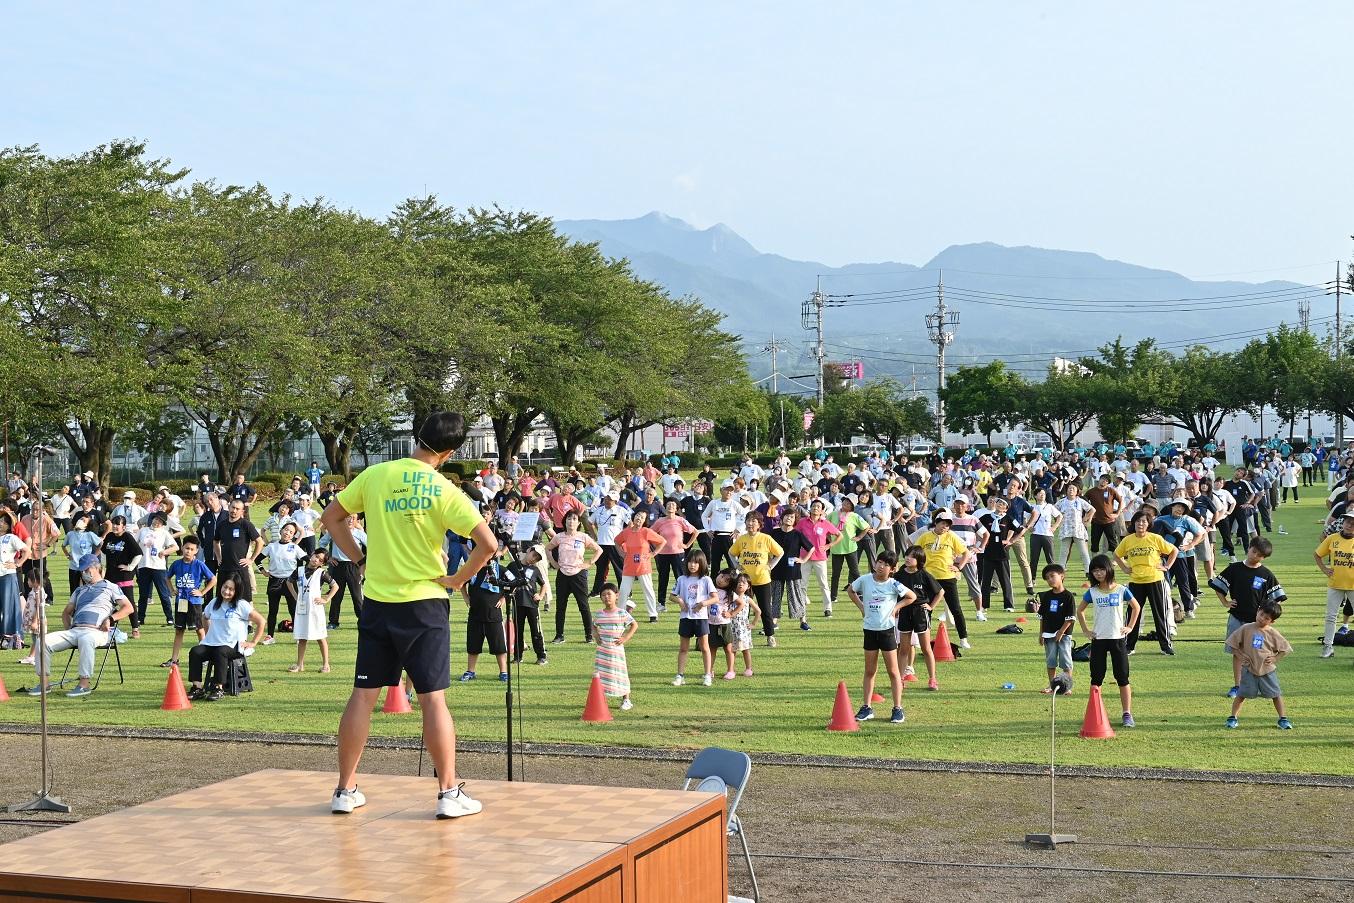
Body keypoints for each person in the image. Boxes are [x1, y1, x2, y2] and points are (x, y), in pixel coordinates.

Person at [320, 411, 496, 820]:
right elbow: (486, 543)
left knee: (363, 696)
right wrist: (456, 580)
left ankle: (345, 790)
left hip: (379, 601)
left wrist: (359, 558)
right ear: (451, 452)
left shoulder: (376, 474)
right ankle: (448, 792)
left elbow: (331, 518)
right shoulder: (444, 488)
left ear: (417, 437)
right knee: (432, 699)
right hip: (425, 602)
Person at [28, 554, 134, 697]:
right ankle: (44, 684)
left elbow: (128, 608)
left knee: (86, 639)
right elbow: (66, 613)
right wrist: (69, 629)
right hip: (75, 630)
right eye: (82, 571)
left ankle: (84, 685)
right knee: (43, 641)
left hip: (97, 631)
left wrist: (110, 619)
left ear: (97, 568)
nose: (84, 573)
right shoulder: (79, 590)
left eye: (87, 570)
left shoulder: (111, 587)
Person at [847, 550, 915, 725]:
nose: (880, 566)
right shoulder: (865, 580)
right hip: (869, 630)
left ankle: (897, 708)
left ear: (892, 569)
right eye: (879, 562)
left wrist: (896, 607)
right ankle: (867, 707)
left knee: (893, 672)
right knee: (870, 671)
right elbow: (851, 590)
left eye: (885, 564)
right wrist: (861, 607)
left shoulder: (894, 584)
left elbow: (911, 597)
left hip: (886, 632)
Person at [1075, 554, 1141, 729]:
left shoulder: (1121, 589)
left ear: (1109, 570)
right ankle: (1095, 712)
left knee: (1122, 677)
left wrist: (1130, 627)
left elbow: (1136, 606)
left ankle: (1127, 713)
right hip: (1099, 640)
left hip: (1117, 640)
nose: (1098, 573)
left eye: (1101, 569)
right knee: (1096, 678)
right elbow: (1079, 611)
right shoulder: (1092, 592)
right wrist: (1086, 630)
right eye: (1095, 570)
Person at [1212, 536, 1281, 696]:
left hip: (1257, 624)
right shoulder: (1234, 568)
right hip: (1237, 618)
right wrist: (1225, 602)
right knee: (1237, 651)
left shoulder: (1266, 574)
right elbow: (1218, 585)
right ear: (1248, 548)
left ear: (1264, 557)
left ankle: (1258, 684)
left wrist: (1268, 619)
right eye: (1253, 551)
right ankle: (1238, 686)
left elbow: (1276, 599)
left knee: (1257, 652)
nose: (1254, 555)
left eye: (1259, 555)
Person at [186, 575, 264, 701]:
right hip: (212, 644)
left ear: (237, 591)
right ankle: (197, 688)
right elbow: (205, 617)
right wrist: (207, 635)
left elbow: (261, 621)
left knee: (220, 651)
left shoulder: (241, 605)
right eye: (225, 587)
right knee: (195, 651)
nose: (227, 591)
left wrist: (253, 642)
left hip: (232, 646)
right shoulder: (214, 603)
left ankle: (218, 688)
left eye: (231, 589)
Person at [1114, 511, 1178, 655]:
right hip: (1135, 581)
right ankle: (1129, 646)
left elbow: (1174, 550)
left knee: (1160, 613)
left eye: (1144, 521)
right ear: (1134, 523)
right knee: (1132, 614)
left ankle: (1165, 646)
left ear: (1149, 524)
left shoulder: (1155, 538)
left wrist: (1166, 566)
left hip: (1155, 580)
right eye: (1138, 521)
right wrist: (1124, 568)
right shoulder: (1128, 540)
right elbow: (1117, 555)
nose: (1140, 524)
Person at [1224, 601, 1293, 730]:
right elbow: (1232, 644)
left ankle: (1283, 719)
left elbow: (1285, 649)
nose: (1262, 619)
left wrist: (1275, 658)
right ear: (1257, 611)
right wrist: (1240, 656)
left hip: (1267, 671)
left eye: (1266, 618)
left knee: (1276, 694)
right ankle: (1233, 718)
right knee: (1241, 694)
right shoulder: (1246, 628)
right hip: (1249, 670)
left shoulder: (1273, 633)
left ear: (1272, 621)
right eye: (1261, 614)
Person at [914, 510, 972, 649]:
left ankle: (963, 638)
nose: (944, 527)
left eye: (947, 525)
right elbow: (915, 552)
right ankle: (919, 638)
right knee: (925, 608)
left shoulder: (952, 537)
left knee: (955, 609)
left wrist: (958, 567)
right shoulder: (925, 536)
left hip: (947, 577)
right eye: (942, 524)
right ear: (936, 523)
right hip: (929, 577)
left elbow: (966, 553)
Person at [546, 510, 600, 643]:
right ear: (565, 521)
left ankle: (589, 635)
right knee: (560, 607)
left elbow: (599, 550)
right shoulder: (559, 537)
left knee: (584, 606)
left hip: (578, 575)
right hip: (563, 575)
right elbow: (547, 548)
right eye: (569, 519)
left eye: (574, 519)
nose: (571, 521)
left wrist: (589, 563)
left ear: (578, 522)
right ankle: (559, 635)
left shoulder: (583, 537)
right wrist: (553, 563)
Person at [459, 543, 510, 683]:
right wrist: (466, 597)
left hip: (493, 615)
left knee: (499, 646)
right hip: (475, 614)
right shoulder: (472, 570)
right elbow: (461, 582)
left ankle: (503, 672)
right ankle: (470, 671)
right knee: (473, 646)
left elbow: (514, 584)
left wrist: (503, 598)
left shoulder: (500, 569)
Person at [165, 536, 215, 669]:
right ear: (182, 548)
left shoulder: (199, 564)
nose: (188, 551)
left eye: (192, 549)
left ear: (196, 551)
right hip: (181, 601)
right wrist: (172, 590)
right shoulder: (176, 564)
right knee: (179, 630)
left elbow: (213, 579)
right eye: (186, 548)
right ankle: (174, 659)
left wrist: (202, 592)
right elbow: (167, 577)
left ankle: (205, 657)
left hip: (194, 602)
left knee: (199, 629)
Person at [895, 545, 939, 690]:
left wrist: (931, 606)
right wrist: (895, 608)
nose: (908, 558)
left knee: (926, 648)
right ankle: (900, 679)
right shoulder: (899, 574)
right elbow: (892, 592)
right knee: (903, 649)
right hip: (904, 612)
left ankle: (932, 679)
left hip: (920, 613)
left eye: (912, 556)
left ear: (919, 560)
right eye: (907, 555)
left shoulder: (924, 574)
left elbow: (940, 591)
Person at [671, 551, 716, 687]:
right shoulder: (681, 579)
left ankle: (707, 674)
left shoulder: (706, 580)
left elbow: (715, 597)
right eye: (690, 562)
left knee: (704, 647)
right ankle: (680, 675)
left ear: (702, 564)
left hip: (701, 618)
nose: (692, 565)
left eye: (696, 562)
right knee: (683, 648)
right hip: (685, 617)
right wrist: (679, 600)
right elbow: (672, 595)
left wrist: (703, 603)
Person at [1313, 512, 1354, 659]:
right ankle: (1328, 647)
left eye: (1353, 523)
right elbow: (1317, 554)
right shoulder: (1332, 538)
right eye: (1348, 522)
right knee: (1331, 617)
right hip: (1335, 584)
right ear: (1343, 523)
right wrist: (1325, 569)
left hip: (1353, 585)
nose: (1350, 525)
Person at [592, 583, 638, 711]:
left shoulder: (622, 613)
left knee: (620, 673)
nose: (607, 597)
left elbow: (634, 625)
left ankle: (626, 699)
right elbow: (593, 625)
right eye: (603, 595)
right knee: (602, 674)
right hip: (602, 650)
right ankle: (601, 699)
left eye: (609, 594)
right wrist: (596, 635)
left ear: (616, 596)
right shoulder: (599, 614)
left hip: (616, 649)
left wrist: (625, 638)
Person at [290, 548, 337, 673]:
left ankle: (326, 664)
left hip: (315, 609)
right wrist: (296, 596)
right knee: (302, 637)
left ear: (322, 563)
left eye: (320, 559)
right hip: (302, 608)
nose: (316, 560)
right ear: (311, 555)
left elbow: (335, 586)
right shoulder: (299, 570)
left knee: (320, 636)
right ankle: (300, 664)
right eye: (316, 556)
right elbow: (289, 582)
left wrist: (326, 599)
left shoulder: (322, 573)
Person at [795, 500, 841, 627]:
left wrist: (829, 545)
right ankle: (802, 608)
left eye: (818, 507)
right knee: (802, 584)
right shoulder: (802, 522)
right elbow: (795, 535)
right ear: (810, 508)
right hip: (804, 557)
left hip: (820, 557)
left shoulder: (825, 523)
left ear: (822, 511)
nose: (815, 508)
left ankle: (828, 608)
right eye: (814, 506)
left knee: (823, 584)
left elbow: (839, 535)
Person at [615, 510, 666, 621]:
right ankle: (620, 614)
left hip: (643, 566)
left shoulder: (646, 531)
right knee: (624, 591)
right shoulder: (626, 532)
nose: (639, 518)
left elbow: (662, 541)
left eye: (642, 517)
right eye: (638, 515)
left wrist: (653, 553)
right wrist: (621, 553)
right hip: (629, 566)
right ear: (634, 517)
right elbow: (616, 541)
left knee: (648, 590)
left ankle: (653, 614)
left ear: (644, 521)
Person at [260, 523, 304, 643]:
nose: (287, 533)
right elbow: (258, 559)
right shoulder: (271, 546)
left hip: (290, 581)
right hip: (274, 581)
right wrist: (263, 570)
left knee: (293, 609)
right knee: (273, 610)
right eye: (286, 530)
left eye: (291, 532)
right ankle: (270, 636)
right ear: (281, 530)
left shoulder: (294, 547)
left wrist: (300, 573)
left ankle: (298, 635)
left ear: (293, 535)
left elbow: (306, 559)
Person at [1036, 563, 1076, 693]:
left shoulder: (1068, 596)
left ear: (1062, 576)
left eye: (1052, 576)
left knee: (1066, 661)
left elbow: (1070, 618)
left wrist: (1061, 631)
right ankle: (1052, 685)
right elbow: (1042, 616)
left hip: (1064, 635)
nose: (1050, 579)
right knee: (1051, 660)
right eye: (1047, 578)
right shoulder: (1046, 596)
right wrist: (1041, 633)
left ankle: (1067, 687)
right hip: (1048, 634)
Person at [136, 513, 179, 630]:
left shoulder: (164, 533)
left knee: (163, 594)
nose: (156, 522)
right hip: (144, 565)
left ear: (163, 524)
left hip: (158, 567)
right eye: (155, 519)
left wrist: (164, 552)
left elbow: (175, 547)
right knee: (143, 594)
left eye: (160, 521)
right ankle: (140, 617)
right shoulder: (143, 530)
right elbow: (134, 544)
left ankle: (169, 617)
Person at [215, 500, 262, 602]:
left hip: (240, 568)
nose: (234, 511)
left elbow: (260, 542)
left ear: (242, 511)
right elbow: (215, 541)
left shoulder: (246, 524)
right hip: (224, 568)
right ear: (229, 507)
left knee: (245, 601)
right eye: (233, 507)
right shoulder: (221, 525)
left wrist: (251, 559)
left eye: (237, 509)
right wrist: (219, 557)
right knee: (222, 599)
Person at [510, 545, 548, 666]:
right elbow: (505, 580)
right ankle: (517, 657)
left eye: (537, 558)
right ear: (529, 551)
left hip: (532, 605)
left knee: (535, 631)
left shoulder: (535, 570)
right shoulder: (512, 566)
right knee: (518, 631)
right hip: (517, 603)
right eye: (534, 555)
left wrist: (541, 596)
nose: (534, 559)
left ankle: (541, 656)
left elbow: (544, 585)